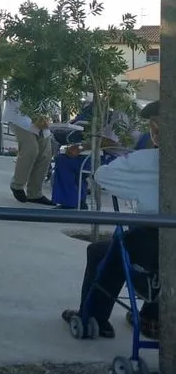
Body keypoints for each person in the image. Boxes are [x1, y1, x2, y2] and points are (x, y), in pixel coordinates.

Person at [61, 100, 161, 339]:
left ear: (156, 131)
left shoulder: (146, 161)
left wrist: (137, 187)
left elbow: (103, 175)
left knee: (112, 248)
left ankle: (93, 317)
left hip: (154, 243)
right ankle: (152, 316)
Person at [2, 98, 54, 205]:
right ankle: (17, 185)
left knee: (45, 155)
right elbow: (18, 101)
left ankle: (35, 194)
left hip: (42, 120)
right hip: (20, 118)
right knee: (30, 150)